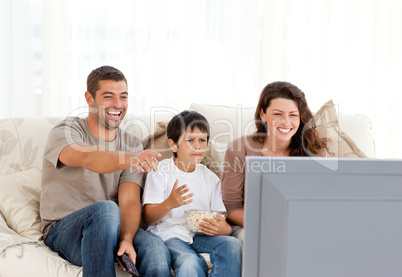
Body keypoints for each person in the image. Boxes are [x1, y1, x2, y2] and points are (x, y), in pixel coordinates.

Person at [40, 65, 171, 277]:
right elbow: (89, 158)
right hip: (65, 231)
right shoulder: (66, 131)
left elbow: (129, 201)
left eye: (123, 97)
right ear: (89, 99)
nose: (117, 105)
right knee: (107, 210)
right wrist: (131, 158)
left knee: (156, 250)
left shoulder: (131, 143)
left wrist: (127, 239)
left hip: (114, 229)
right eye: (108, 97)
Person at [221, 81, 331, 242]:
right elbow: (232, 208)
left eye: (293, 114)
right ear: (263, 115)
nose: (286, 122)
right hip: (252, 225)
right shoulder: (239, 149)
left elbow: (320, 204)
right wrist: (270, 225)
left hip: (300, 225)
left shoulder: (315, 152)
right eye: (278, 114)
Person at [142, 110, 243, 277]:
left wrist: (224, 229)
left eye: (202, 140)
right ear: (173, 145)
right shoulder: (160, 171)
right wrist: (170, 203)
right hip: (170, 234)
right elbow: (148, 218)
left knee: (233, 245)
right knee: (189, 261)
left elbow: (220, 218)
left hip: (199, 235)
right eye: (190, 140)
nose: (198, 146)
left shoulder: (211, 178)